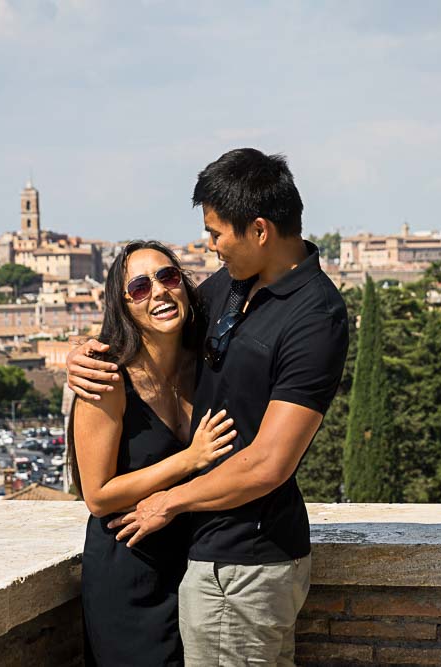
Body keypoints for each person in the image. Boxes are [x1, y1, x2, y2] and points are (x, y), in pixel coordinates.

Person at [67, 148, 349, 665]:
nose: (209, 246)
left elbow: (268, 462)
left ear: (259, 231)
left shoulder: (314, 316)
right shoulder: (231, 288)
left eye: (216, 233)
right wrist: (80, 354)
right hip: (188, 561)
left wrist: (171, 501)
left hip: (242, 563)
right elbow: (149, 327)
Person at [68, 240, 238, 666]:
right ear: (123, 306)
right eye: (139, 287)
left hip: (193, 568)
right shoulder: (105, 382)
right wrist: (189, 458)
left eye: (167, 277)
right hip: (129, 572)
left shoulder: (206, 364)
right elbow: (98, 495)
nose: (159, 291)